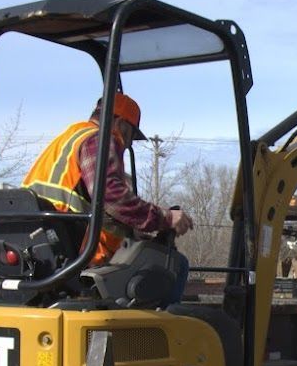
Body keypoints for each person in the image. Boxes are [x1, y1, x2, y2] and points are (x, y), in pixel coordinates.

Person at [23, 92, 194, 303]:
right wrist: (166, 218)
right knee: (173, 266)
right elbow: (111, 197)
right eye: (131, 135)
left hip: (46, 247)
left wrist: (135, 232)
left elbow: (96, 207)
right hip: (74, 257)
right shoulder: (98, 140)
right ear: (121, 124)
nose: (128, 144)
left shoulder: (71, 137)